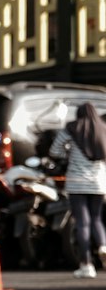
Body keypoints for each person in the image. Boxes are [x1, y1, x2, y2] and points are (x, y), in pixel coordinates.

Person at [49, 102, 106, 279]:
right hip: (98, 183)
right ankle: (103, 246)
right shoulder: (103, 129)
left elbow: (55, 150)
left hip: (76, 182)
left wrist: (69, 154)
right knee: (97, 219)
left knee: (82, 222)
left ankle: (86, 264)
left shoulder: (72, 129)